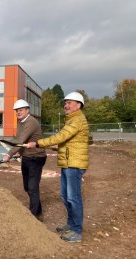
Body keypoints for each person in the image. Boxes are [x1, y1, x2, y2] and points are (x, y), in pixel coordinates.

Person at [27, 91, 89, 243]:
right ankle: (71, 223)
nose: (66, 105)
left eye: (69, 102)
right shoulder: (71, 120)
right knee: (65, 196)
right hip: (68, 162)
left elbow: (61, 137)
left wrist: (38, 143)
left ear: (78, 105)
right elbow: (66, 141)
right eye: (65, 102)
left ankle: (77, 231)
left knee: (74, 198)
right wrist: (58, 147)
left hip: (74, 164)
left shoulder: (77, 120)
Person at [3, 99, 47, 219]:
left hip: (36, 157)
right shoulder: (21, 122)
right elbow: (20, 140)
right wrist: (19, 153)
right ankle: (38, 212)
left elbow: (20, 140)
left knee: (32, 187)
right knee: (27, 187)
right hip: (27, 157)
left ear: (27, 110)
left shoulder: (30, 122)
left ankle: (33, 216)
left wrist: (9, 154)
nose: (18, 112)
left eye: (21, 110)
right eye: (16, 110)